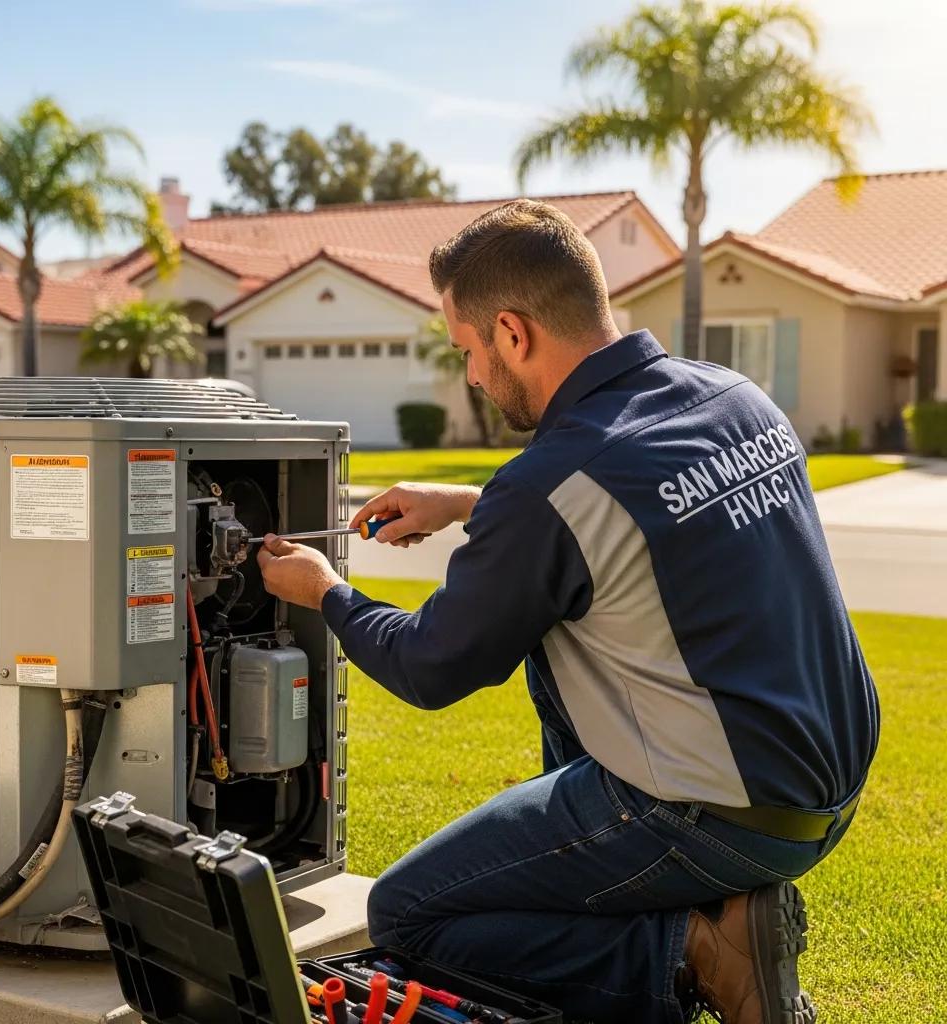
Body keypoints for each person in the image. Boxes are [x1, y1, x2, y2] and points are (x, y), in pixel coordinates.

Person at [257, 200, 879, 1024]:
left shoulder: (552, 483)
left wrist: (326, 592)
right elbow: (633, 511)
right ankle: (700, 919)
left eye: (468, 352)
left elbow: (432, 665)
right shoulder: (735, 398)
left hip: (717, 817)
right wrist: (469, 504)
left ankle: (698, 953)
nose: (473, 376)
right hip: (825, 793)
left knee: (410, 914)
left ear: (512, 333)